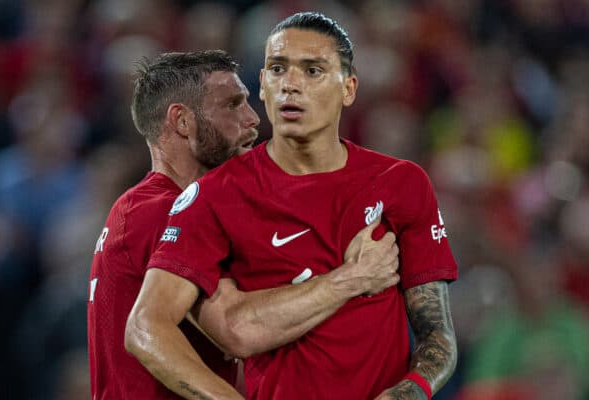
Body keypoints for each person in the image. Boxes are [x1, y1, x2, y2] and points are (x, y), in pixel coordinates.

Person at [129, 12, 458, 400]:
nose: (291, 85)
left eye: (313, 71)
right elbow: (146, 326)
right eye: (278, 69)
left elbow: (438, 336)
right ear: (263, 87)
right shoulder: (216, 195)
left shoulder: (401, 183)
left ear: (348, 89)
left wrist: (411, 391)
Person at [89, 50, 400, 399]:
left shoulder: (163, 209)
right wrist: (352, 277)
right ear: (182, 122)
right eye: (232, 104)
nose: (253, 119)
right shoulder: (162, 211)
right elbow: (237, 329)